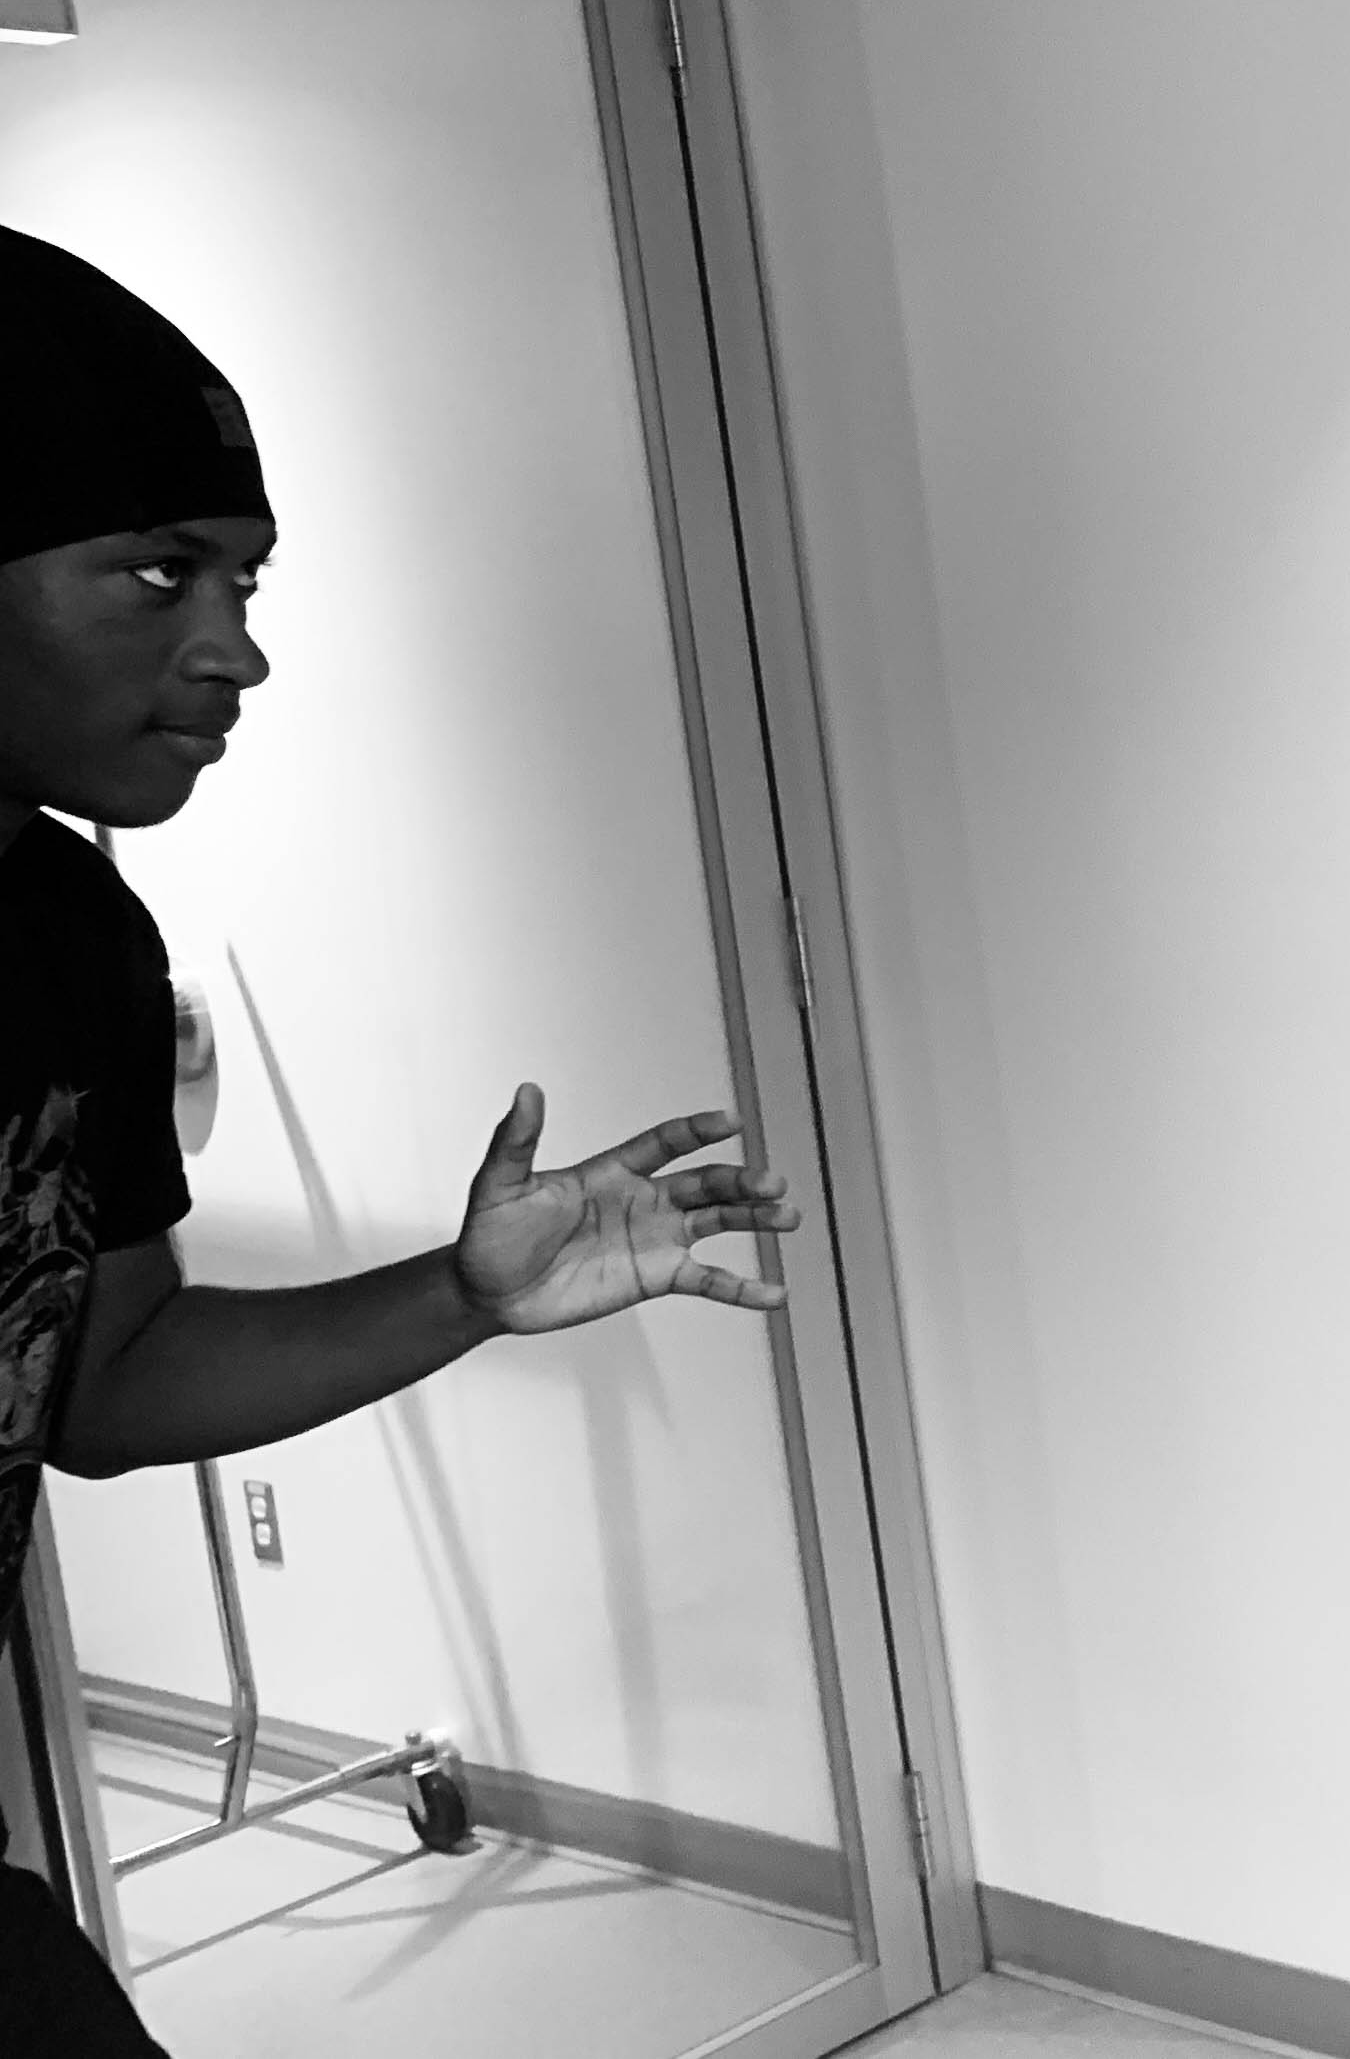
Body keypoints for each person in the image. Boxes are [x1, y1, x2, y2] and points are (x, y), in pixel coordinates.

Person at [0, 226, 803, 2050]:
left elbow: (101, 1381)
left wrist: (463, 1291)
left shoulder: (72, 943)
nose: (236, 650)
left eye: (244, 579)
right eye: (158, 571)